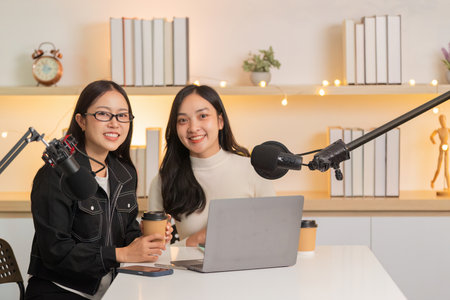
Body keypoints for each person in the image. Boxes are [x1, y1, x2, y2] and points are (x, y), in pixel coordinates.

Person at [25, 80, 172, 300]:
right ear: (81, 121)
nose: (115, 123)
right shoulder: (55, 174)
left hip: (113, 291)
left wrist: (146, 238)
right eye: (104, 114)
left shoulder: (125, 173)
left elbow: (124, 233)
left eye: (122, 115)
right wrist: (121, 253)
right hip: (60, 291)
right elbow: (55, 252)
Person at [148, 85, 275, 247]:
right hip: (188, 271)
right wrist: (195, 240)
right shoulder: (163, 180)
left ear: (220, 121)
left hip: (247, 271)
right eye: (183, 120)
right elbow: (154, 251)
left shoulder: (254, 171)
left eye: (203, 116)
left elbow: (272, 236)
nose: (193, 128)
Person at [430, 114, 450, 190]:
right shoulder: (438, 130)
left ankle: (449, 187)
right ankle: (433, 181)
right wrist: (432, 140)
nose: (442, 122)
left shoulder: (448, 129)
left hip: (446, 148)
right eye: (440, 120)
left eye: (443, 120)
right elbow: (431, 135)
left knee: (446, 169)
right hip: (441, 148)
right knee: (438, 168)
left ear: (446, 120)